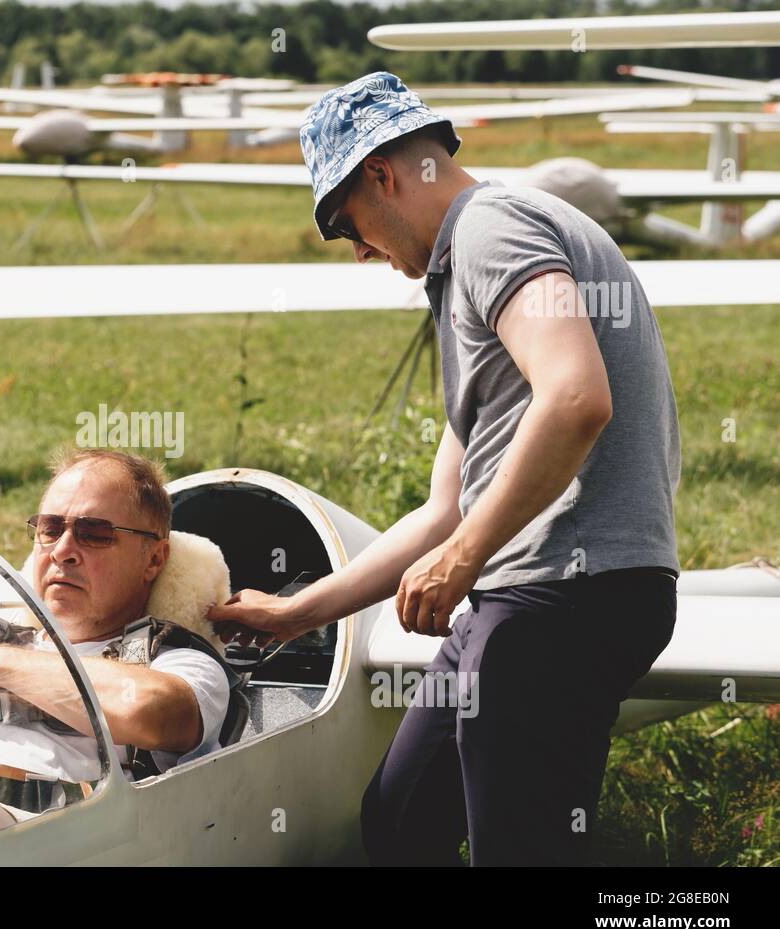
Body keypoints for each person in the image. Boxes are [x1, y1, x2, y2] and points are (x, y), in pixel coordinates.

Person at [208, 72, 680, 866]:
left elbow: (574, 399)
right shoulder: (471, 260)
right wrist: (297, 614)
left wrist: (461, 563)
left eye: (345, 223)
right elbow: (444, 511)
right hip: (519, 597)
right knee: (401, 823)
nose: (359, 251)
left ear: (382, 176)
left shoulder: (494, 228)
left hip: (567, 598)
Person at [0, 448, 232, 845]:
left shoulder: (179, 662)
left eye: (94, 533)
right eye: (51, 529)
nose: (62, 551)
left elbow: (147, 710)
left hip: (54, 841)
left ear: (154, 560)